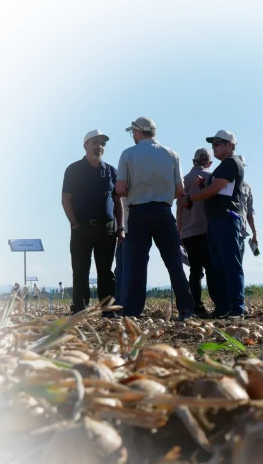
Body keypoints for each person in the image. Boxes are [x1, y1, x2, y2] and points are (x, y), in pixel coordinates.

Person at [115, 117, 195, 319]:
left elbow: (120, 189)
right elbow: (180, 190)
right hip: (163, 212)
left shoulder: (128, 154)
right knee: (174, 262)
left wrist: (137, 190)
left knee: (137, 264)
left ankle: (134, 310)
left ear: (138, 132)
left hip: (138, 213)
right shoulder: (171, 154)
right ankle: (185, 308)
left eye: (133, 132)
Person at [61, 129, 123, 314]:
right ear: (85, 146)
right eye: (95, 142)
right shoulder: (73, 170)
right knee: (80, 271)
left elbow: (117, 201)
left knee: (106, 272)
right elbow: (66, 199)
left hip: (107, 229)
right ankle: (80, 310)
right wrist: (74, 223)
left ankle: (108, 310)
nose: (99, 146)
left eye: (102, 143)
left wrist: (120, 226)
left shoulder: (111, 171)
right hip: (82, 228)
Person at [185, 130, 245, 318]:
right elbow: (216, 190)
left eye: (218, 143)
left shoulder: (230, 163)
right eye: (213, 143)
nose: (214, 147)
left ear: (230, 145)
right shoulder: (224, 165)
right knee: (218, 265)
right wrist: (204, 186)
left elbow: (215, 189)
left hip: (225, 218)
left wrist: (192, 197)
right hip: (217, 219)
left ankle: (236, 307)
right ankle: (224, 306)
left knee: (229, 264)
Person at [177, 147, 216, 317]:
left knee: (195, 271)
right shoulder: (212, 178)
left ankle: (196, 306)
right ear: (209, 163)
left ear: (194, 161)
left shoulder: (183, 180)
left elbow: (179, 210)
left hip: (188, 232)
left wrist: (179, 233)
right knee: (212, 269)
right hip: (206, 231)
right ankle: (219, 304)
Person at [237, 155, 257, 262]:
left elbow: (249, 212)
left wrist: (254, 233)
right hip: (226, 232)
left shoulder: (247, 187)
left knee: (238, 266)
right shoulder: (223, 183)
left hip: (241, 233)